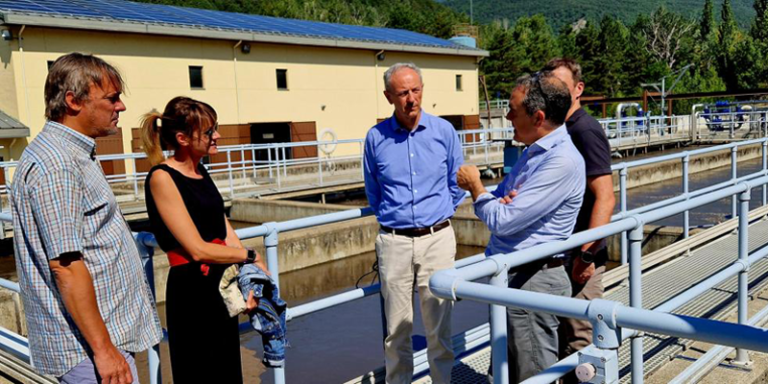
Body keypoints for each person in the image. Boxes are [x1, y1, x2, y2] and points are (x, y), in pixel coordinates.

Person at [10, 52, 162, 383]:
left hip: (100, 341)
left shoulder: (73, 154)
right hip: (90, 350)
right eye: (112, 98)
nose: (120, 107)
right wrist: (104, 350)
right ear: (73, 101)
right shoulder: (58, 164)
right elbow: (65, 267)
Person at [457, 72, 585, 382]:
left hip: (533, 279)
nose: (507, 115)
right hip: (516, 276)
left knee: (533, 373)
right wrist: (500, 203)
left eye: (513, 109)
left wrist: (476, 186)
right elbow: (502, 201)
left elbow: (502, 219)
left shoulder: (560, 160)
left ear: (538, 116)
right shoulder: (534, 152)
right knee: (509, 368)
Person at [141, 96, 267, 383]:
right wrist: (249, 256)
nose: (217, 136)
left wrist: (252, 277)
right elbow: (196, 249)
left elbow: (224, 229)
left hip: (222, 286)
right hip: (193, 293)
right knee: (200, 373)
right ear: (183, 138)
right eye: (209, 131)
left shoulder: (200, 170)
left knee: (227, 371)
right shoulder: (162, 177)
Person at [363, 62, 465, 384]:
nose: (411, 99)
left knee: (439, 329)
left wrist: (439, 212)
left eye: (416, 90)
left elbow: (456, 182)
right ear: (388, 96)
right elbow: (373, 192)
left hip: (437, 239)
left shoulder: (443, 132)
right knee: (396, 331)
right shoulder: (375, 138)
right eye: (403, 92)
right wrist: (397, 220)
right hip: (394, 242)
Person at [543, 58, 616, 379]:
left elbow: (606, 195)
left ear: (578, 89)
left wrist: (586, 254)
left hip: (580, 258)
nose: (554, 92)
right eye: (549, 87)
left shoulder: (584, 130)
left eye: (561, 85)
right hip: (562, 256)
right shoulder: (560, 129)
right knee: (561, 337)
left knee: (581, 341)